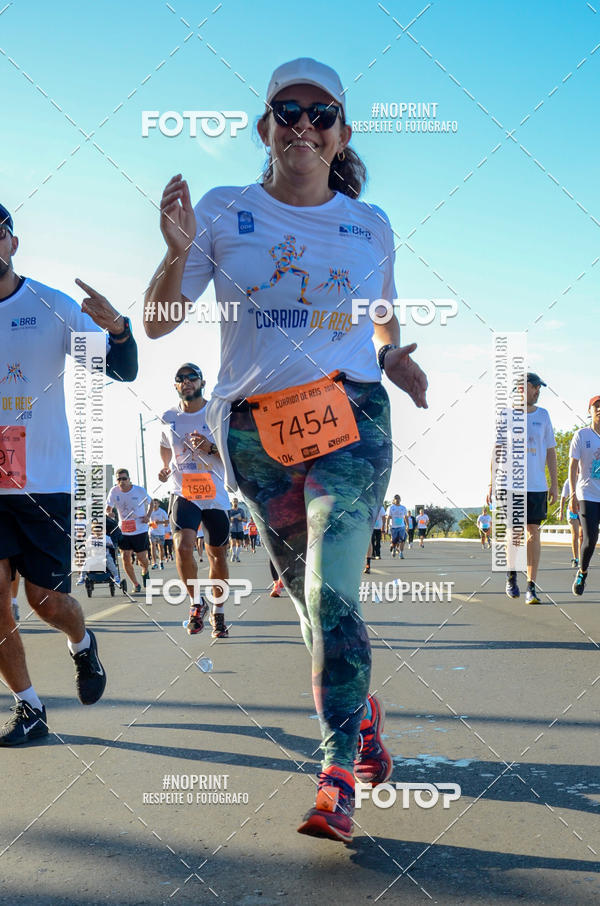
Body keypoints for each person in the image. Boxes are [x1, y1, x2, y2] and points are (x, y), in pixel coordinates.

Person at [143, 57, 427, 842]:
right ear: (265, 126)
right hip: (256, 431)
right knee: (310, 602)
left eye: (322, 112)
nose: (304, 124)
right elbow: (161, 322)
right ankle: (360, 711)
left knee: (336, 584)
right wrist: (173, 253)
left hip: (351, 415)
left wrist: (395, 356)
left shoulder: (369, 225)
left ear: (341, 133)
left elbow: (381, 321)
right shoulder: (223, 209)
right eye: (288, 110)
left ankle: (337, 772)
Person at [0, 202, 137, 745]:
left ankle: (82, 643)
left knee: (44, 601)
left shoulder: (51, 306)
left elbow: (120, 368)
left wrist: (120, 330)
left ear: (13, 243)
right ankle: (29, 707)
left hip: (44, 482)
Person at [159, 363, 230, 638]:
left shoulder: (217, 412)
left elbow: (233, 453)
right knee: (182, 546)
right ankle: (195, 603)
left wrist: (210, 447)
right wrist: (165, 467)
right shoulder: (168, 416)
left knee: (217, 556)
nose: (186, 382)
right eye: (180, 379)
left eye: (192, 378)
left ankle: (219, 612)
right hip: (183, 491)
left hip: (214, 495)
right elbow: (164, 445)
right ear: (176, 385)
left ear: (202, 382)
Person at [489, 373, 558, 605]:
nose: (539, 391)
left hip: (537, 484)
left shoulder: (544, 415)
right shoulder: (505, 415)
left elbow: (550, 451)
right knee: (516, 531)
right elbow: (497, 449)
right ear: (523, 388)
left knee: (533, 532)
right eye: (536, 387)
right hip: (510, 483)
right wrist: (491, 481)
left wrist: (554, 484)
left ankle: (531, 586)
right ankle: (511, 576)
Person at [569, 395, 600, 596]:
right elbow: (572, 467)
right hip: (587, 494)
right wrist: (572, 493)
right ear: (589, 411)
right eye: (596, 406)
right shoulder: (581, 435)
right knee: (590, 539)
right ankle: (582, 572)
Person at [106, 470, 152, 593]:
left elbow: (151, 502)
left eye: (124, 479)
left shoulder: (139, 490)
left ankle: (145, 571)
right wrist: (109, 513)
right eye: (119, 479)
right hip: (124, 529)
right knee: (125, 557)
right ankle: (135, 584)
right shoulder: (114, 491)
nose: (121, 481)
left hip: (140, 528)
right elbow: (108, 508)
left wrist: (148, 516)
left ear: (129, 479)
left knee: (142, 558)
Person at [559, 476, 581, 568]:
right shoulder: (568, 481)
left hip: (583, 510)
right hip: (572, 511)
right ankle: (575, 558)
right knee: (575, 534)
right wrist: (561, 512)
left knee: (582, 536)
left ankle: (582, 557)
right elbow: (563, 497)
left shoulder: (584, 479)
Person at [149, 498, 169, 569]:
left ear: (158, 504)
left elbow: (167, 521)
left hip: (161, 532)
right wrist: (151, 524)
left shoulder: (162, 511)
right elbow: (146, 522)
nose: (154, 504)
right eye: (153, 503)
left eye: (156, 503)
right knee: (153, 546)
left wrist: (159, 522)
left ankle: (161, 562)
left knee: (161, 547)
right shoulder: (149, 511)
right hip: (152, 532)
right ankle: (154, 563)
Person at [386, 494, 408, 558]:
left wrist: (407, 525)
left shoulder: (403, 508)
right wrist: (387, 527)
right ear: (394, 500)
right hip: (393, 527)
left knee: (402, 539)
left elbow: (405, 517)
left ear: (400, 499)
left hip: (401, 526)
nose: (397, 500)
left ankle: (401, 553)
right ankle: (393, 547)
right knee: (394, 541)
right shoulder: (391, 508)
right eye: (396, 499)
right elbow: (388, 517)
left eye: (398, 498)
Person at [228, 498, 245, 563]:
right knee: (233, 542)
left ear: (238, 502)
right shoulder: (229, 511)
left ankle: (237, 556)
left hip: (240, 529)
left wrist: (241, 519)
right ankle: (233, 554)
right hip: (232, 529)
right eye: (234, 501)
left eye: (236, 501)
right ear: (231, 503)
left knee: (239, 544)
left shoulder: (241, 510)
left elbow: (245, 520)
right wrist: (230, 519)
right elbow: (227, 520)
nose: (235, 502)